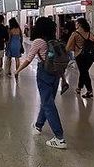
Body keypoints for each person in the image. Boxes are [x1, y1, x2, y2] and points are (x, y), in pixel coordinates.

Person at [15, 17, 67, 149]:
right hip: (56, 74)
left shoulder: (38, 41)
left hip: (44, 73)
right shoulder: (54, 41)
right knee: (47, 101)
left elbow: (28, 59)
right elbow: (59, 62)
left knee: (48, 104)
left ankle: (59, 138)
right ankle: (38, 125)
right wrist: (63, 78)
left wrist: (17, 70)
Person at [66, 17, 94, 99]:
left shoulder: (75, 34)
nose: (75, 25)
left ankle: (89, 91)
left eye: (76, 23)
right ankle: (79, 88)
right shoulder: (91, 34)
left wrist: (76, 48)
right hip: (90, 56)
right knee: (84, 72)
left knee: (84, 72)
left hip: (80, 55)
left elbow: (68, 47)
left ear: (79, 24)